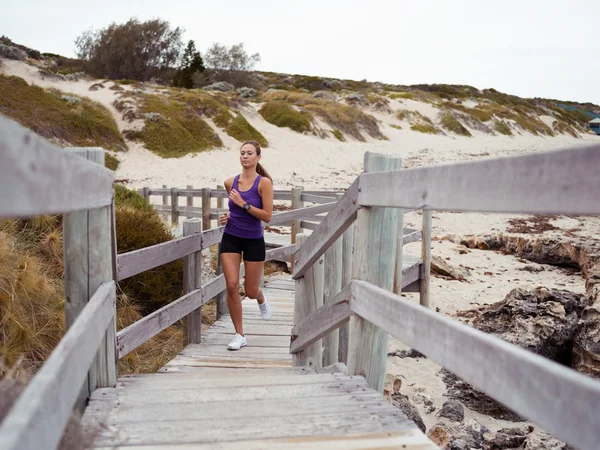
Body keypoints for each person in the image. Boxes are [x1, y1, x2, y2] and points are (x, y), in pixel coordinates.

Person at [219, 140, 274, 350]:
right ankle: (239, 334)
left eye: (250, 153)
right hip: (231, 237)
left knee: (250, 291)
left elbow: (267, 216)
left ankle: (260, 297)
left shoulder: (264, 183)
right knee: (232, 284)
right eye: (242, 153)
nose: (245, 156)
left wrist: (245, 204)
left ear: (258, 157)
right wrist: (226, 216)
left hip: (253, 240)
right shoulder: (229, 182)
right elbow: (234, 211)